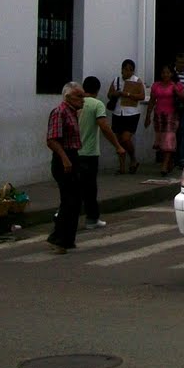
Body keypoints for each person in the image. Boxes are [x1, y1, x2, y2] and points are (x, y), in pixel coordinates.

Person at [77, 76, 125, 229]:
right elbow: (104, 127)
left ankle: (62, 214)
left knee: (74, 186)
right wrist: (117, 145)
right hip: (89, 153)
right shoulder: (97, 104)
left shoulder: (75, 103)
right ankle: (92, 219)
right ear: (97, 90)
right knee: (90, 188)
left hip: (73, 152)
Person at [46, 82, 85, 254]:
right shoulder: (60, 112)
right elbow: (52, 140)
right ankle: (58, 239)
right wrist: (65, 159)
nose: (83, 100)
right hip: (64, 158)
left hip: (73, 156)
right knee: (69, 200)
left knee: (75, 200)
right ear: (68, 97)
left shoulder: (72, 113)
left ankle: (67, 239)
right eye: (79, 96)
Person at [145, 65, 184, 176]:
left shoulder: (176, 85)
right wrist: (148, 116)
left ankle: (164, 165)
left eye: (168, 73)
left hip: (171, 115)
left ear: (171, 74)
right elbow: (152, 101)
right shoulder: (156, 86)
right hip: (159, 115)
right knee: (161, 140)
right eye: (163, 73)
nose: (165, 75)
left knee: (168, 138)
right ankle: (169, 161)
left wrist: (175, 90)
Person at [107, 59, 144, 174]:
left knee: (126, 138)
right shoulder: (116, 80)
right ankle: (121, 166)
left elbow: (142, 96)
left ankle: (133, 158)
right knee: (118, 140)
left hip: (131, 112)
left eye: (131, 70)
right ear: (122, 69)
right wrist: (116, 94)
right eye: (126, 69)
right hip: (118, 112)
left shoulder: (137, 81)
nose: (128, 72)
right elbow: (109, 94)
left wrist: (127, 94)